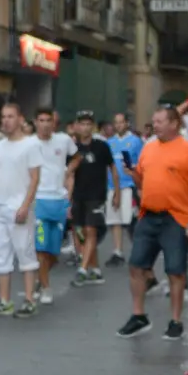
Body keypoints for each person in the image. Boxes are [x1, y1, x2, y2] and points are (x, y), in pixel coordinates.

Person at [117, 106, 188, 341]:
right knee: (136, 266)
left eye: (159, 121)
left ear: (174, 124)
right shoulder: (148, 147)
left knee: (175, 271)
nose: (154, 125)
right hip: (148, 216)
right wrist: (131, 173)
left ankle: (175, 320)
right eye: (153, 121)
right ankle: (139, 316)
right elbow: (142, 180)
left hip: (176, 219)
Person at [0, 103, 44, 318]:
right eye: (3, 116)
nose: (6, 120)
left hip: (18, 207)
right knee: (1, 255)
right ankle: (5, 301)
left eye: (10, 116)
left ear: (20, 119)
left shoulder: (30, 145)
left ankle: (28, 300)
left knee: (25, 253)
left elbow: (35, 179)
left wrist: (26, 205)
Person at [30, 107, 76, 303]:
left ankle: (39, 279)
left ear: (54, 123)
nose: (45, 124)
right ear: (35, 123)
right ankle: (46, 287)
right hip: (38, 201)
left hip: (58, 202)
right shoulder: (28, 144)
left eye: (49, 120)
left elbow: (77, 156)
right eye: (41, 120)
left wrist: (69, 171)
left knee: (54, 252)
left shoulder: (64, 140)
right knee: (40, 247)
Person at [67, 111, 114, 286]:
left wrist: (115, 190)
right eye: (82, 124)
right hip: (78, 196)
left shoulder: (101, 146)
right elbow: (68, 173)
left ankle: (83, 269)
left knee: (90, 230)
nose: (85, 127)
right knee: (80, 234)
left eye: (89, 124)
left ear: (93, 127)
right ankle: (95, 270)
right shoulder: (71, 148)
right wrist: (68, 197)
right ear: (77, 126)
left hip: (97, 196)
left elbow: (113, 168)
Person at [103, 111, 143, 265]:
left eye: (121, 122)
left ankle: (138, 251)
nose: (118, 125)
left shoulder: (135, 141)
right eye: (116, 122)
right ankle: (117, 251)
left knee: (130, 221)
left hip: (129, 186)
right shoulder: (110, 142)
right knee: (115, 221)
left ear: (127, 123)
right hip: (112, 186)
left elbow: (141, 163)